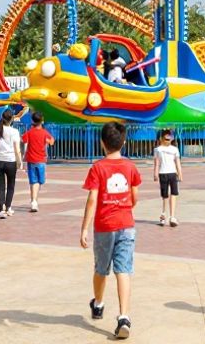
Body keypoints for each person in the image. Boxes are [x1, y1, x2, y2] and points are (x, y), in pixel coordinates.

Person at [81, 121, 142, 339]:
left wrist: (84, 229)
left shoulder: (97, 167)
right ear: (123, 142)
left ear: (102, 143)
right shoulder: (130, 167)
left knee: (101, 269)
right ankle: (124, 317)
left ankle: (98, 303)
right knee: (123, 270)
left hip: (104, 226)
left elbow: (92, 199)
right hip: (126, 225)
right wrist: (125, 207)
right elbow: (135, 196)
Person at [0, 109, 23, 219]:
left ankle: (2, 209)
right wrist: (19, 162)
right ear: (12, 119)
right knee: (11, 185)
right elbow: (17, 149)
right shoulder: (14, 131)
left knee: (1, 186)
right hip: (10, 160)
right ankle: (8, 207)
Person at [22, 111, 55, 213]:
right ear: (42, 121)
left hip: (31, 160)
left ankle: (34, 201)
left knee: (33, 181)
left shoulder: (29, 132)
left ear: (32, 120)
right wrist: (47, 141)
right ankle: (34, 201)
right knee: (39, 181)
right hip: (41, 160)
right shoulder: (44, 133)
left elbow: (23, 140)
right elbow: (52, 141)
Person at [152, 128, 182, 226]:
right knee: (165, 196)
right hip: (163, 173)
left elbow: (177, 162)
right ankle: (163, 214)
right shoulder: (157, 149)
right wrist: (155, 173)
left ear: (172, 138)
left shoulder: (175, 149)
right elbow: (157, 163)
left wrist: (180, 173)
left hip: (173, 173)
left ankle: (172, 216)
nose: (168, 139)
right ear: (161, 138)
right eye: (166, 137)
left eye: (169, 137)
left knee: (173, 194)